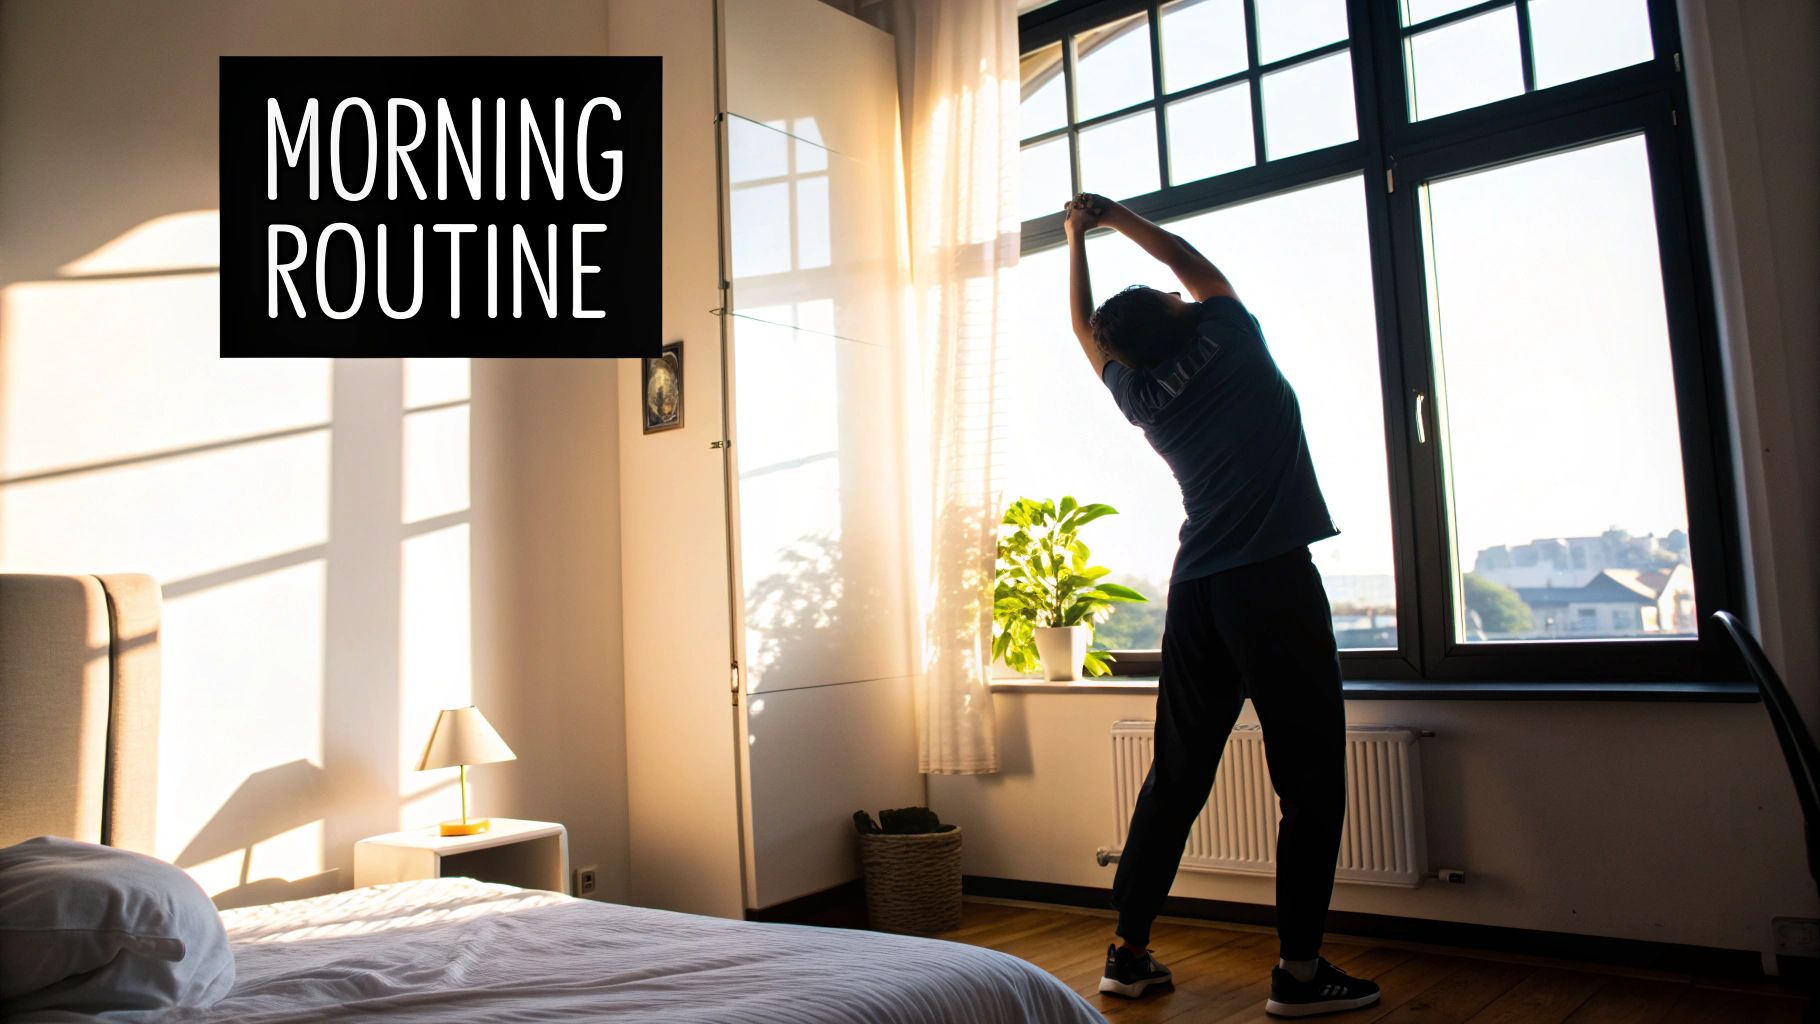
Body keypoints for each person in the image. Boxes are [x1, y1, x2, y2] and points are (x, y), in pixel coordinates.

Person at [1062, 192, 1381, 1018]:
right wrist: (1109, 218)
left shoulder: (1140, 396)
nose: (1181, 291)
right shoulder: (1231, 337)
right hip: (1270, 583)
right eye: (1171, 296)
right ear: (1176, 312)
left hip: (1197, 592)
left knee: (1176, 774)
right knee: (1310, 783)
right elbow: (1180, 258)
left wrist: (1072, 242)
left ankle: (1128, 953)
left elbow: (1085, 331)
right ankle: (1300, 975)